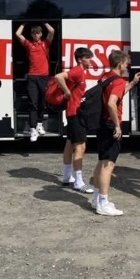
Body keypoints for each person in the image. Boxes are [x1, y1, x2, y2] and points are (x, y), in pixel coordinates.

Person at [89, 50, 140, 216]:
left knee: (101, 161)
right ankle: (103, 203)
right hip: (110, 124)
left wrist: (132, 83)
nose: (127, 66)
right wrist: (117, 125)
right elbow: (112, 103)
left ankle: (96, 198)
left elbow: (116, 95)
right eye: (126, 64)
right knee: (109, 165)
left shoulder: (106, 76)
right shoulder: (118, 80)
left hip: (101, 123)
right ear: (120, 64)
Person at [55, 46, 95, 193]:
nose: (90, 61)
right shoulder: (77, 71)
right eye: (88, 58)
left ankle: (67, 176)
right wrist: (67, 92)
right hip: (76, 112)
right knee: (80, 146)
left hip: (72, 112)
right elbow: (58, 77)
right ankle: (78, 182)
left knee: (70, 143)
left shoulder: (80, 72)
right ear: (80, 59)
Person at [15, 22, 55, 142]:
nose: (36, 35)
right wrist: (23, 23)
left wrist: (44, 22)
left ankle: (39, 124)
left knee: (43, 103)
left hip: (44, 77)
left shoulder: (45, 43)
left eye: (38, 33)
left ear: (41, 34)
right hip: (32, 77)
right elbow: (18, 34)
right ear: (31, 35)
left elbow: (52, 31)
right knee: (33, 103)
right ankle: (32, 129)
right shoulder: (29, 44)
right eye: (33, 33)